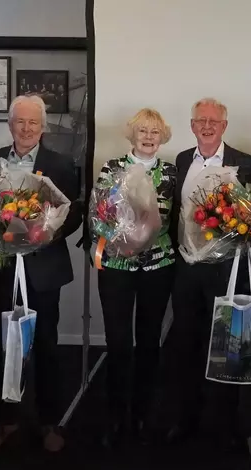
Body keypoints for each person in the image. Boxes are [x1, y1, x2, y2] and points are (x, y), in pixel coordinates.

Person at [0, 95, 82, 453]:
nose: (26, 129)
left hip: (43, 269)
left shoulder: (61, 163)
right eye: (20, 122)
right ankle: (5, 421)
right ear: (10, 125)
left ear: (43, 127)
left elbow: (74, 214)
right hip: (5, 268)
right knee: (5, 345)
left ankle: (48, 422)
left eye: (33, 123)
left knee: (48, 347)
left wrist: (45, 233)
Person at [163, 98, 251, 449]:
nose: (207, 126)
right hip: (187, 268)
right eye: (200, 120)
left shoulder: (245, 163)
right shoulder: (179, 161)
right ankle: (187, 418)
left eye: (213, 121)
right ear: (192, 126)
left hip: (226, 269)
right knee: (186, 343)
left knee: (228, 345)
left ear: (224, 125)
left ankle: (228, 423)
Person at [93, 108, 176, 449]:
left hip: (158, 267)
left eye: (154, 131)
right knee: (118, 343)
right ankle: (116, 416)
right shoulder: (112, 169)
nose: (148, 136)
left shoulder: (171, 173)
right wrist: (120, 243)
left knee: (148, 343)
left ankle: (143, 414)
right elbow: (100, 215)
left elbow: (176, 218)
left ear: (162, 137)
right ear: (132, 134)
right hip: (117, 268)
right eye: (142, 130)